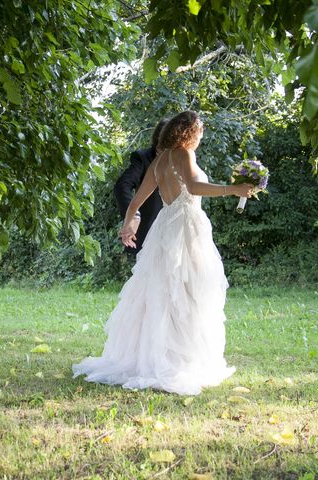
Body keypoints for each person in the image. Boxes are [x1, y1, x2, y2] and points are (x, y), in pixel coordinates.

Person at [73, 111, 254, 395]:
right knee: (188, 290)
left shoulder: (159, 162)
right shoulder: (184, 154)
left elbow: (135, 201)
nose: (202, 135)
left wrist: (128, 225)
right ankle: (180, 360)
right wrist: (233, 189)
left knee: (161, 289)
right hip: (185, 226)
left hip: (164, 226)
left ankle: (155, 356)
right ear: (189, 132)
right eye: (200, 130)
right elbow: (193, 187)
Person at [113, 118, 168, 253]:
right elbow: (122, 185)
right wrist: (133, 216)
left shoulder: (185, 160)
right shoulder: (143, 158)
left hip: (178, 230)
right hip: (150, 233)